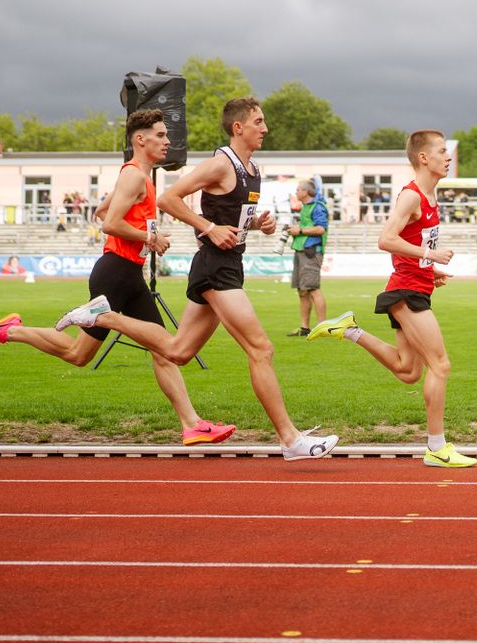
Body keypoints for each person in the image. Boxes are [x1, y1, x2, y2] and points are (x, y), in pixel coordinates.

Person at [0, 109, 234, 446]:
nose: (168, 141)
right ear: (141, 140)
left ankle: (192, 424)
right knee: (79, 356)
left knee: (163, 351)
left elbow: (101, 212)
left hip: (130, 275)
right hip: (114, 274)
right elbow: (109, 223)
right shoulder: (134, 177)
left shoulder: (141, 177)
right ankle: (9, 331)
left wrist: (142, 231)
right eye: (160, 135)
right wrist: (149, 238)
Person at [141, 96, 337, 460]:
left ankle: (103, 316)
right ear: (239, 127)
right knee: (261, 348)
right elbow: (169, 198)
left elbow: (236, 216)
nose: (265, 128)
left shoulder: (253, 168)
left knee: (179, 352)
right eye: (259, 122)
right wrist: (209, 227)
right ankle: (291, 439)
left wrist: (258, 224)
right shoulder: (220, 164)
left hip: (229, 263)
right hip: (216, 265)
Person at [307, 129, 474, 469]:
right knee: (440, 365)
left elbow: (407, 247)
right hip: (406, 292)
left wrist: (430, 270)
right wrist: (430, 254)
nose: (448, 156)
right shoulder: (411, 196)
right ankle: (437, 447)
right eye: (442, 151)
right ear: (423, 158)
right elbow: (386, 239)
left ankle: (350, 330)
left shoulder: (431, 198)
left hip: (416, 285)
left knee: (408, 370)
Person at [281, 178, 329, 338]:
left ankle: (323, 327)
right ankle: (305, 328)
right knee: (302, 291)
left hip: (311, 251)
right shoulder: (306, 207)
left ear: (305, 192)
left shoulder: (318, 207)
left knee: (313, 289)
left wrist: (300, 231)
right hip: (301, 250)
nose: (296, 192)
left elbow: (321, 229)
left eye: (297, 190)